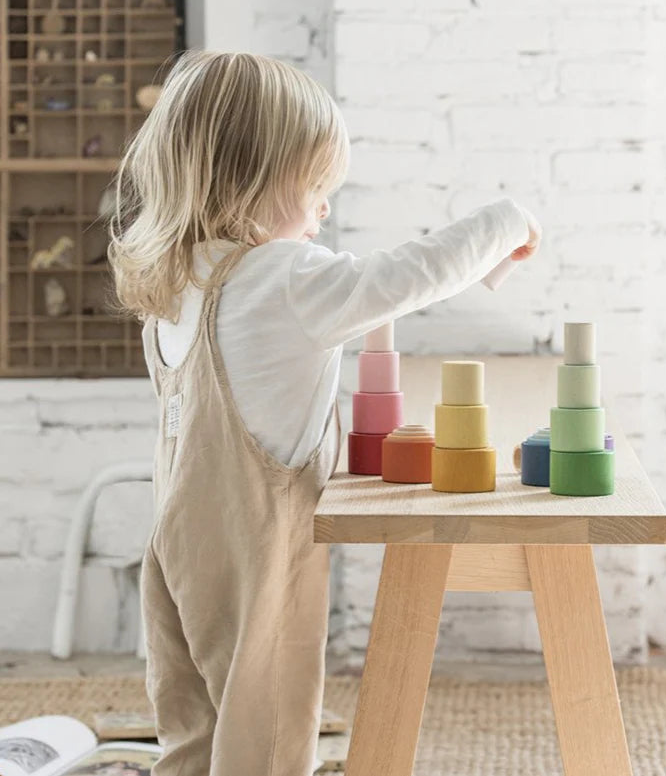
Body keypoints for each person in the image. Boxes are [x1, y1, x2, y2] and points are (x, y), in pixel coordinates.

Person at [108, 50, 541, 776]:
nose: (324, 205)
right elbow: (407, 276)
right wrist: (507, 221)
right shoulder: (284, 278)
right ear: (250, 178)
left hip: (176, 537)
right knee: (269, 730)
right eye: (313, 183)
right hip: (258, 543)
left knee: (194, 726)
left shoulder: (179, 279)